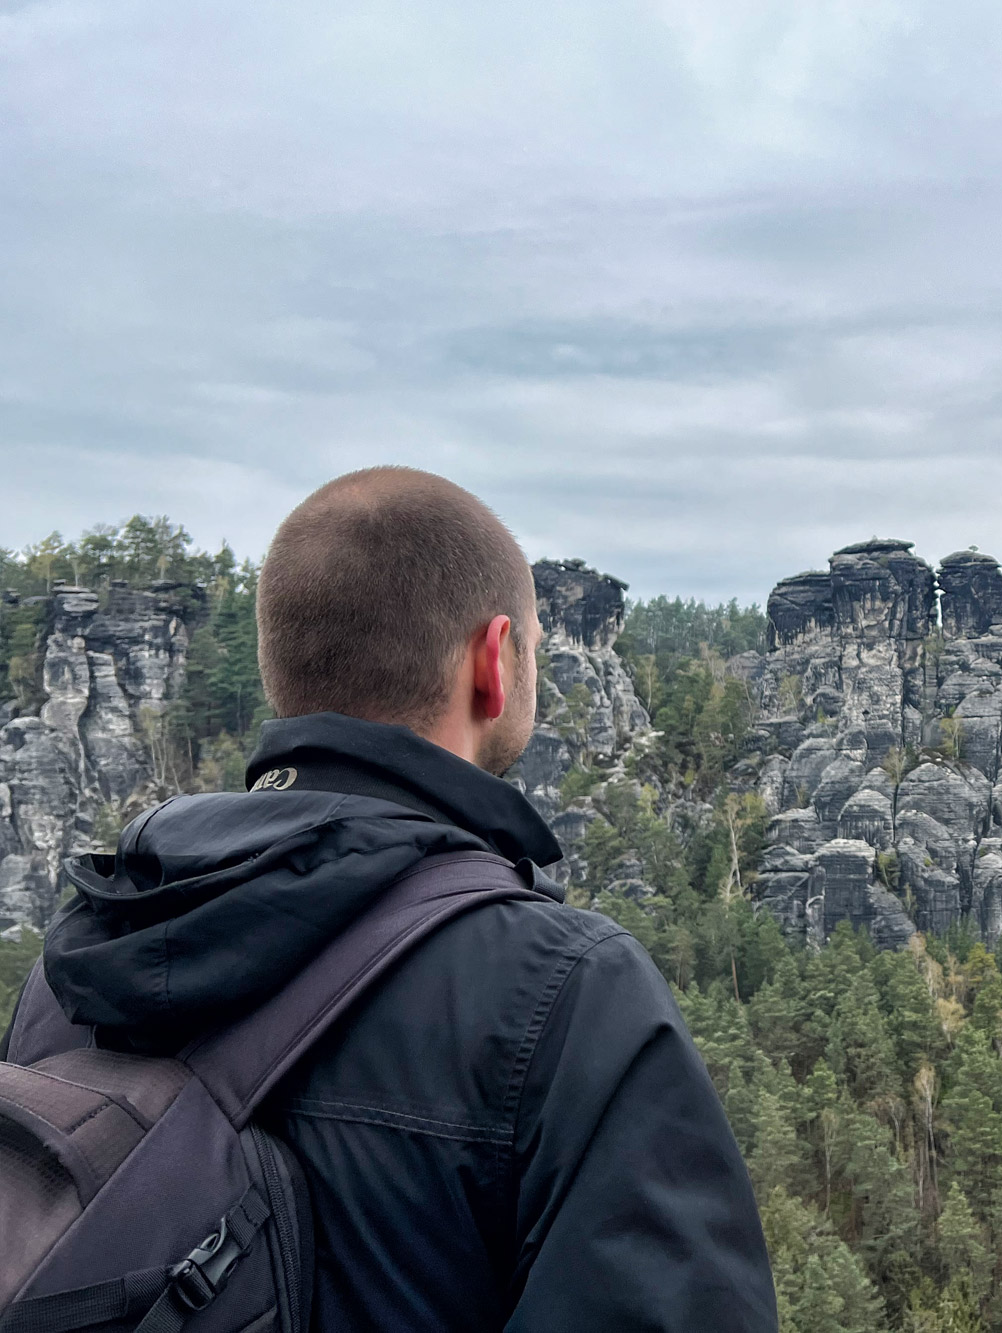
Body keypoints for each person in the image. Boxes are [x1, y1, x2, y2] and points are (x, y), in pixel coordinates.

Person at [4, 468, 777, 1331]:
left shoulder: (73, 969)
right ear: (493, 660)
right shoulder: (564, 994)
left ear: (282, 673)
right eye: (533, 649)